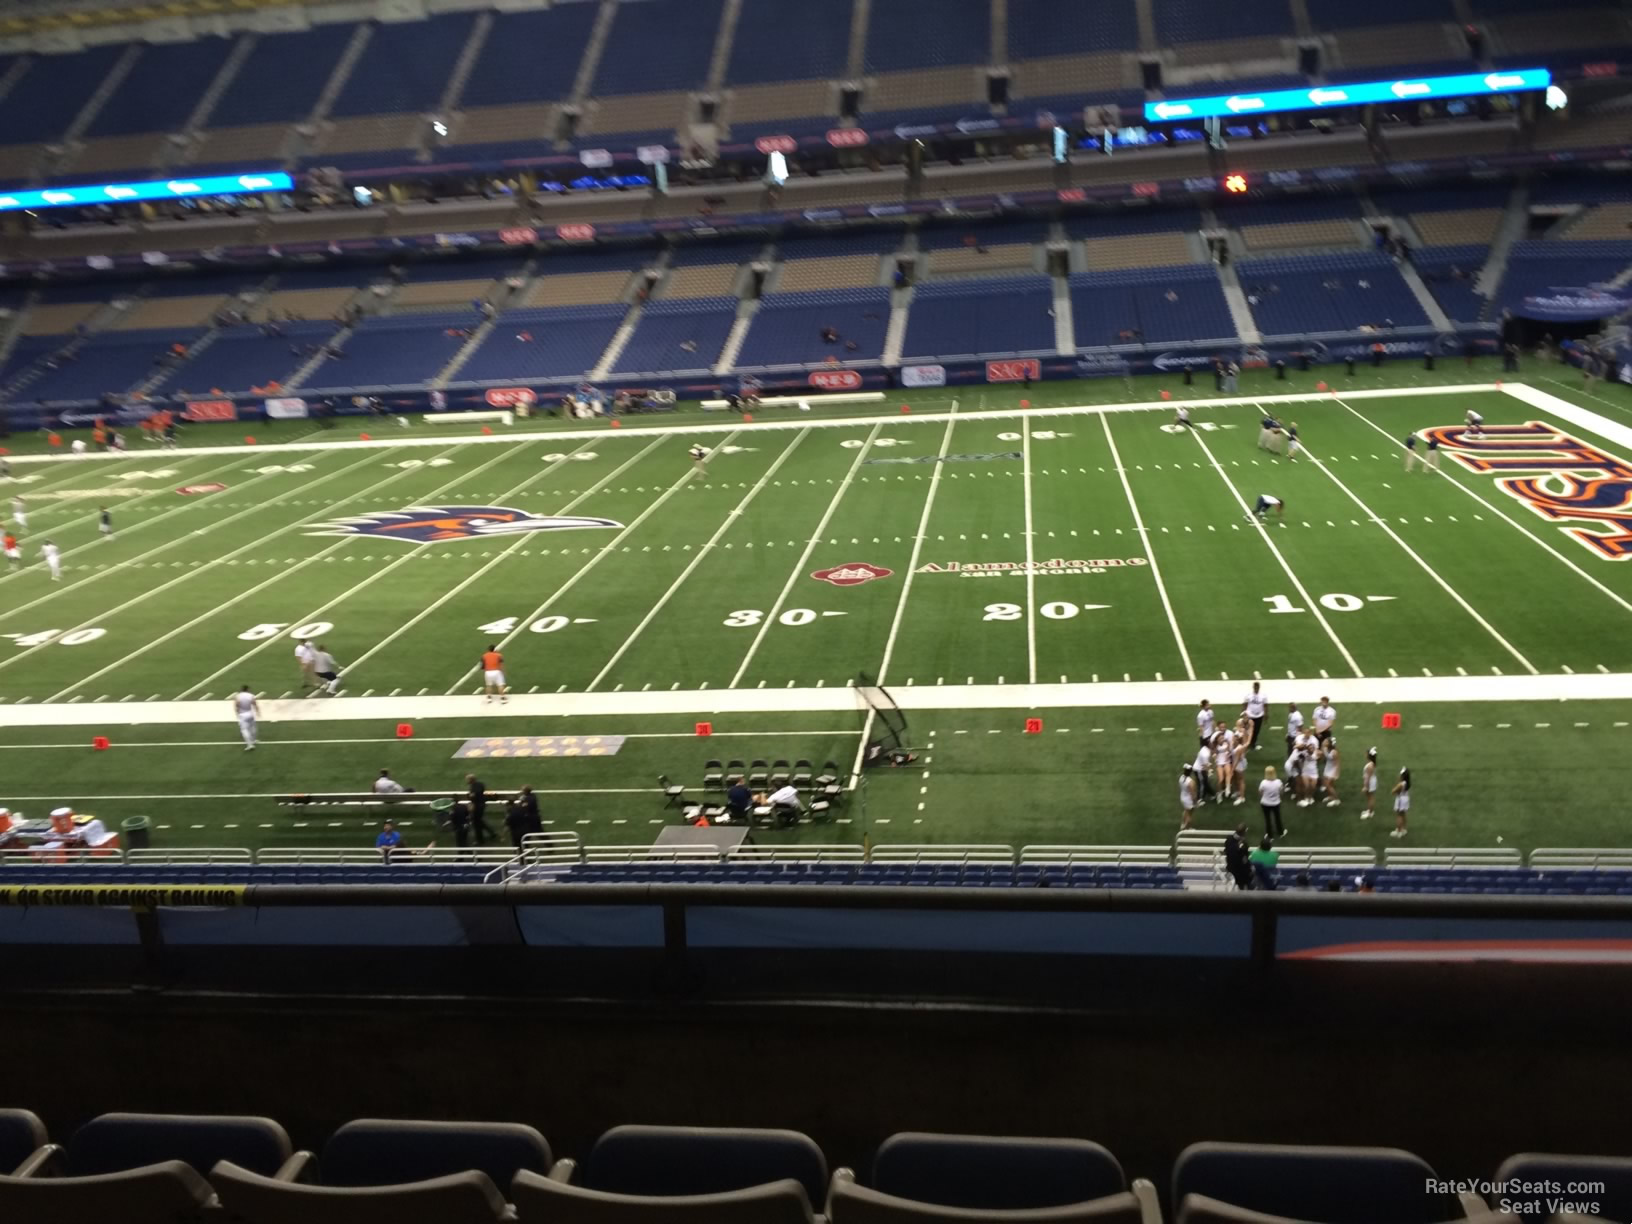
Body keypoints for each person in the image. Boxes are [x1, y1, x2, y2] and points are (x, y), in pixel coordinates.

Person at [505, 785, 542, 849]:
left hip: (533, 819)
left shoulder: (529, 799)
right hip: (531, 818)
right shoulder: (530, 796)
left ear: (525, 791)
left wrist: (519, 803)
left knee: (538, 833)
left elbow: (523, 807)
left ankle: (549, 845)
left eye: (522, 790)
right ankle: (526, 848)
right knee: (529, 835)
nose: (521, 791)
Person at [466, 773, 496, 844]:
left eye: (467, 779)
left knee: (476, 824)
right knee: (479, 821)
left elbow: (473, 796)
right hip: (481, 805)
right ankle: (492, 833)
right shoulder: (480, 784)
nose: (467, 781)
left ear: (471, 780)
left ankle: (480, 840)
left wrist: (470, 796)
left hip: (477, 807)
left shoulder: (474, 787)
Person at [1223, 823, 1252, 890]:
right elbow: (1245, 859)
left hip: (1229, 867)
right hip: (1237, 871)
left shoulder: (1228, 839)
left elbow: (1226, 851)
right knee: (1250, 873)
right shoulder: (1244, 844)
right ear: (1244, 832)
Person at [1258, 766, 1284, 839]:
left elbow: (1260, 792)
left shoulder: (1263, 782)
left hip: (1265, 803)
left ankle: (1269, 835)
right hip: (1276, 803)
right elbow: (1281, 791)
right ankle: (1280, 832)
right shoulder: (1278, 782)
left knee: (1267, 819)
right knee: (1277, 818)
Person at [233, 685, 259, 751]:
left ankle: (249, 744)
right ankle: (253, 740)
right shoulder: (250, 695)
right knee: (253, 727)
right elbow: (254, 704)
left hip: (242, 714)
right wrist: (257, 712)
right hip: (250, 713)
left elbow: (236, 705)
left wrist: (237, 713)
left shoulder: (238, 696)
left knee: (244, 730)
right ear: (247, 689)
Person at [1243, 681, 1267, 749]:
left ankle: (1253, 743)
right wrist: (1244, 712)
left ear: (1259, 687)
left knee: (1256, 730)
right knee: (1248, 730)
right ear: (1253, 687)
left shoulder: (1263, 695)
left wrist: (1266, 714)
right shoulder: (1248, 695)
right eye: (1255, 687)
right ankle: (1246, 742)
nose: (1256, 688)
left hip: (1259, 716)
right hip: (1250, 715)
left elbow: (1265, 705)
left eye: (1257, 687)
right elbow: (1245, 704)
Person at [1390, 767, 1411, 838]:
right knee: (1403, 814)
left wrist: (1394, 790)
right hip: (1406, 799)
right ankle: (1403, 829)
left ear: (1403, 776)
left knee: (1399, 815)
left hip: (1400, 800)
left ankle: (1399, 831)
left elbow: (1393, 791)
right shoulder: (1407, 783)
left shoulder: (1401, 784)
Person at [1321, 738, 1341, 807]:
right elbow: (1324, 757)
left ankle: (1336, 800)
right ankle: (1330, 796)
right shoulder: (1326, 749)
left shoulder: (1334, 752)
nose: (1325, 742)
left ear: (1330, 744)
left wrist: (1336, 773)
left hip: (1333, 769)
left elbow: (1337, 763)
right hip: (1328, 768)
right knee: (1329, 785)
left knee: (1328, 785)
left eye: (1326, 742)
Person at [1179, 763, 1198, 831]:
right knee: (1189, 814)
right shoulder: (1191, 782)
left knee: (1186, 811)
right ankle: (1188, 827)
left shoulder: (1181, 777)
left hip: (1183, 797)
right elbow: (1193, 794)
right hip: (1188, 799)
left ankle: (1183, 824)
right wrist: (1195, 802)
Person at [1361, 747, 1379, 820]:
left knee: (1370, 797)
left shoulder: (1370, 765)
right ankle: (1369, 810)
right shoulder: (1371, 763)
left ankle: (1370, 813)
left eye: (1366, 754)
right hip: (1371, 781)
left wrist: (1365, 786)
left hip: (1370, 782)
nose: (1365, 755)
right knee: (1369, 797)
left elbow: (1368, 777)